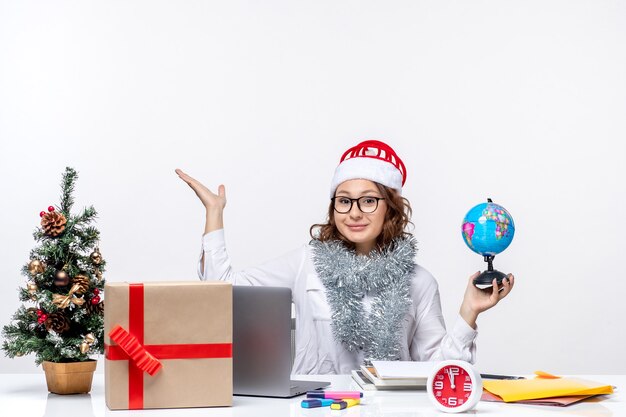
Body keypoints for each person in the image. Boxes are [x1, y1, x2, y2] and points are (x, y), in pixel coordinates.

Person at [176, 140, 514, 375]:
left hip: (391, 410)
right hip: (318, 406)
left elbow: (440, 371)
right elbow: (222, 290)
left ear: (390, 209)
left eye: (368, 201)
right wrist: (214, 213)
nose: (354, 213)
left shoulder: (419, 281)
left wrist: (469, 312)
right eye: (344, 201)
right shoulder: (307, 263)